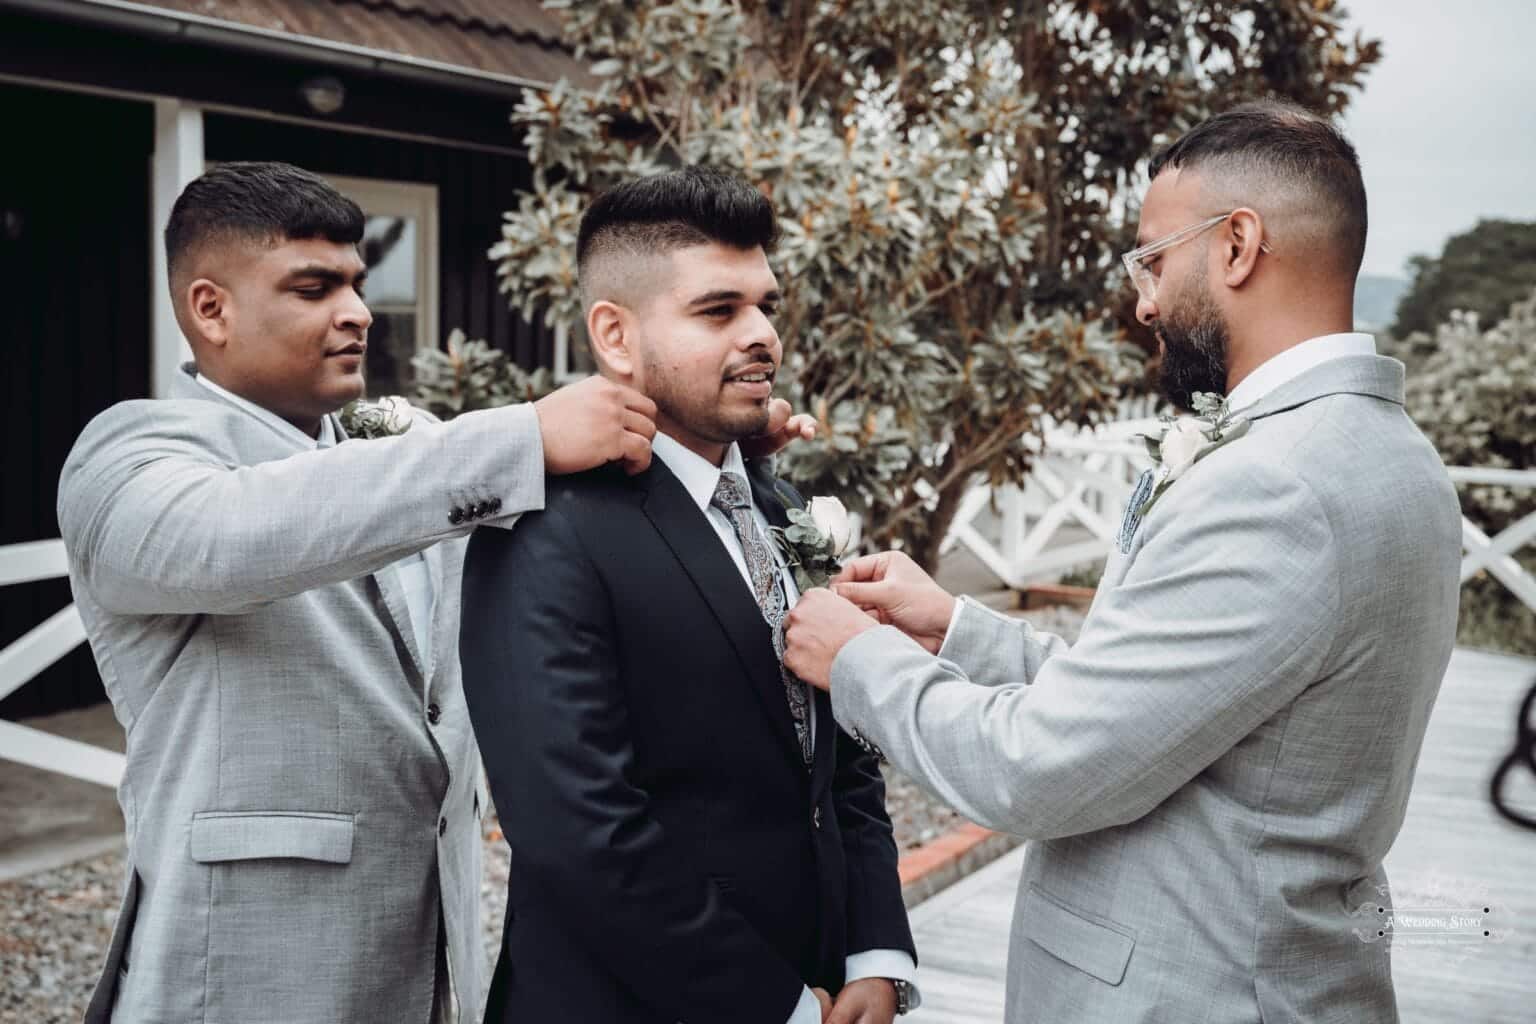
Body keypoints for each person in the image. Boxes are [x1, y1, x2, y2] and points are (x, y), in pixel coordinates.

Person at [56, 161, 808, 1024]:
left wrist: (714, 445)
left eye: (358, 282)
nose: (358, 313)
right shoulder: (130, 456)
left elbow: (544, 501)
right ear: (210, 309)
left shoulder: (405, 448)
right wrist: (524, 433)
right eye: (314, 288)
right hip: (242, 966)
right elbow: (236, 534)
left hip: (431, 953)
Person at [783, 101, 1462, 1023]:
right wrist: (953, 628)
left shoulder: (1274, 486)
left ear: (1236, 247)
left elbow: (1043, 767)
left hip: (1194, 991)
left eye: (1151, 258)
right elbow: (1169, 703)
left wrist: (857, 660)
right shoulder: (1393, 457)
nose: (1141, 297)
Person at [459, 166, 918, 1024]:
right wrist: (775, 1004)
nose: (762, 337)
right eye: (718, 311)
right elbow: (580, 830)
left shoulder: (777, 502)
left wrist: (876, 950)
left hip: (828, 978)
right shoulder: (545, 531)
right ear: (616, 336)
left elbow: (840, 753)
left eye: (766, 306)